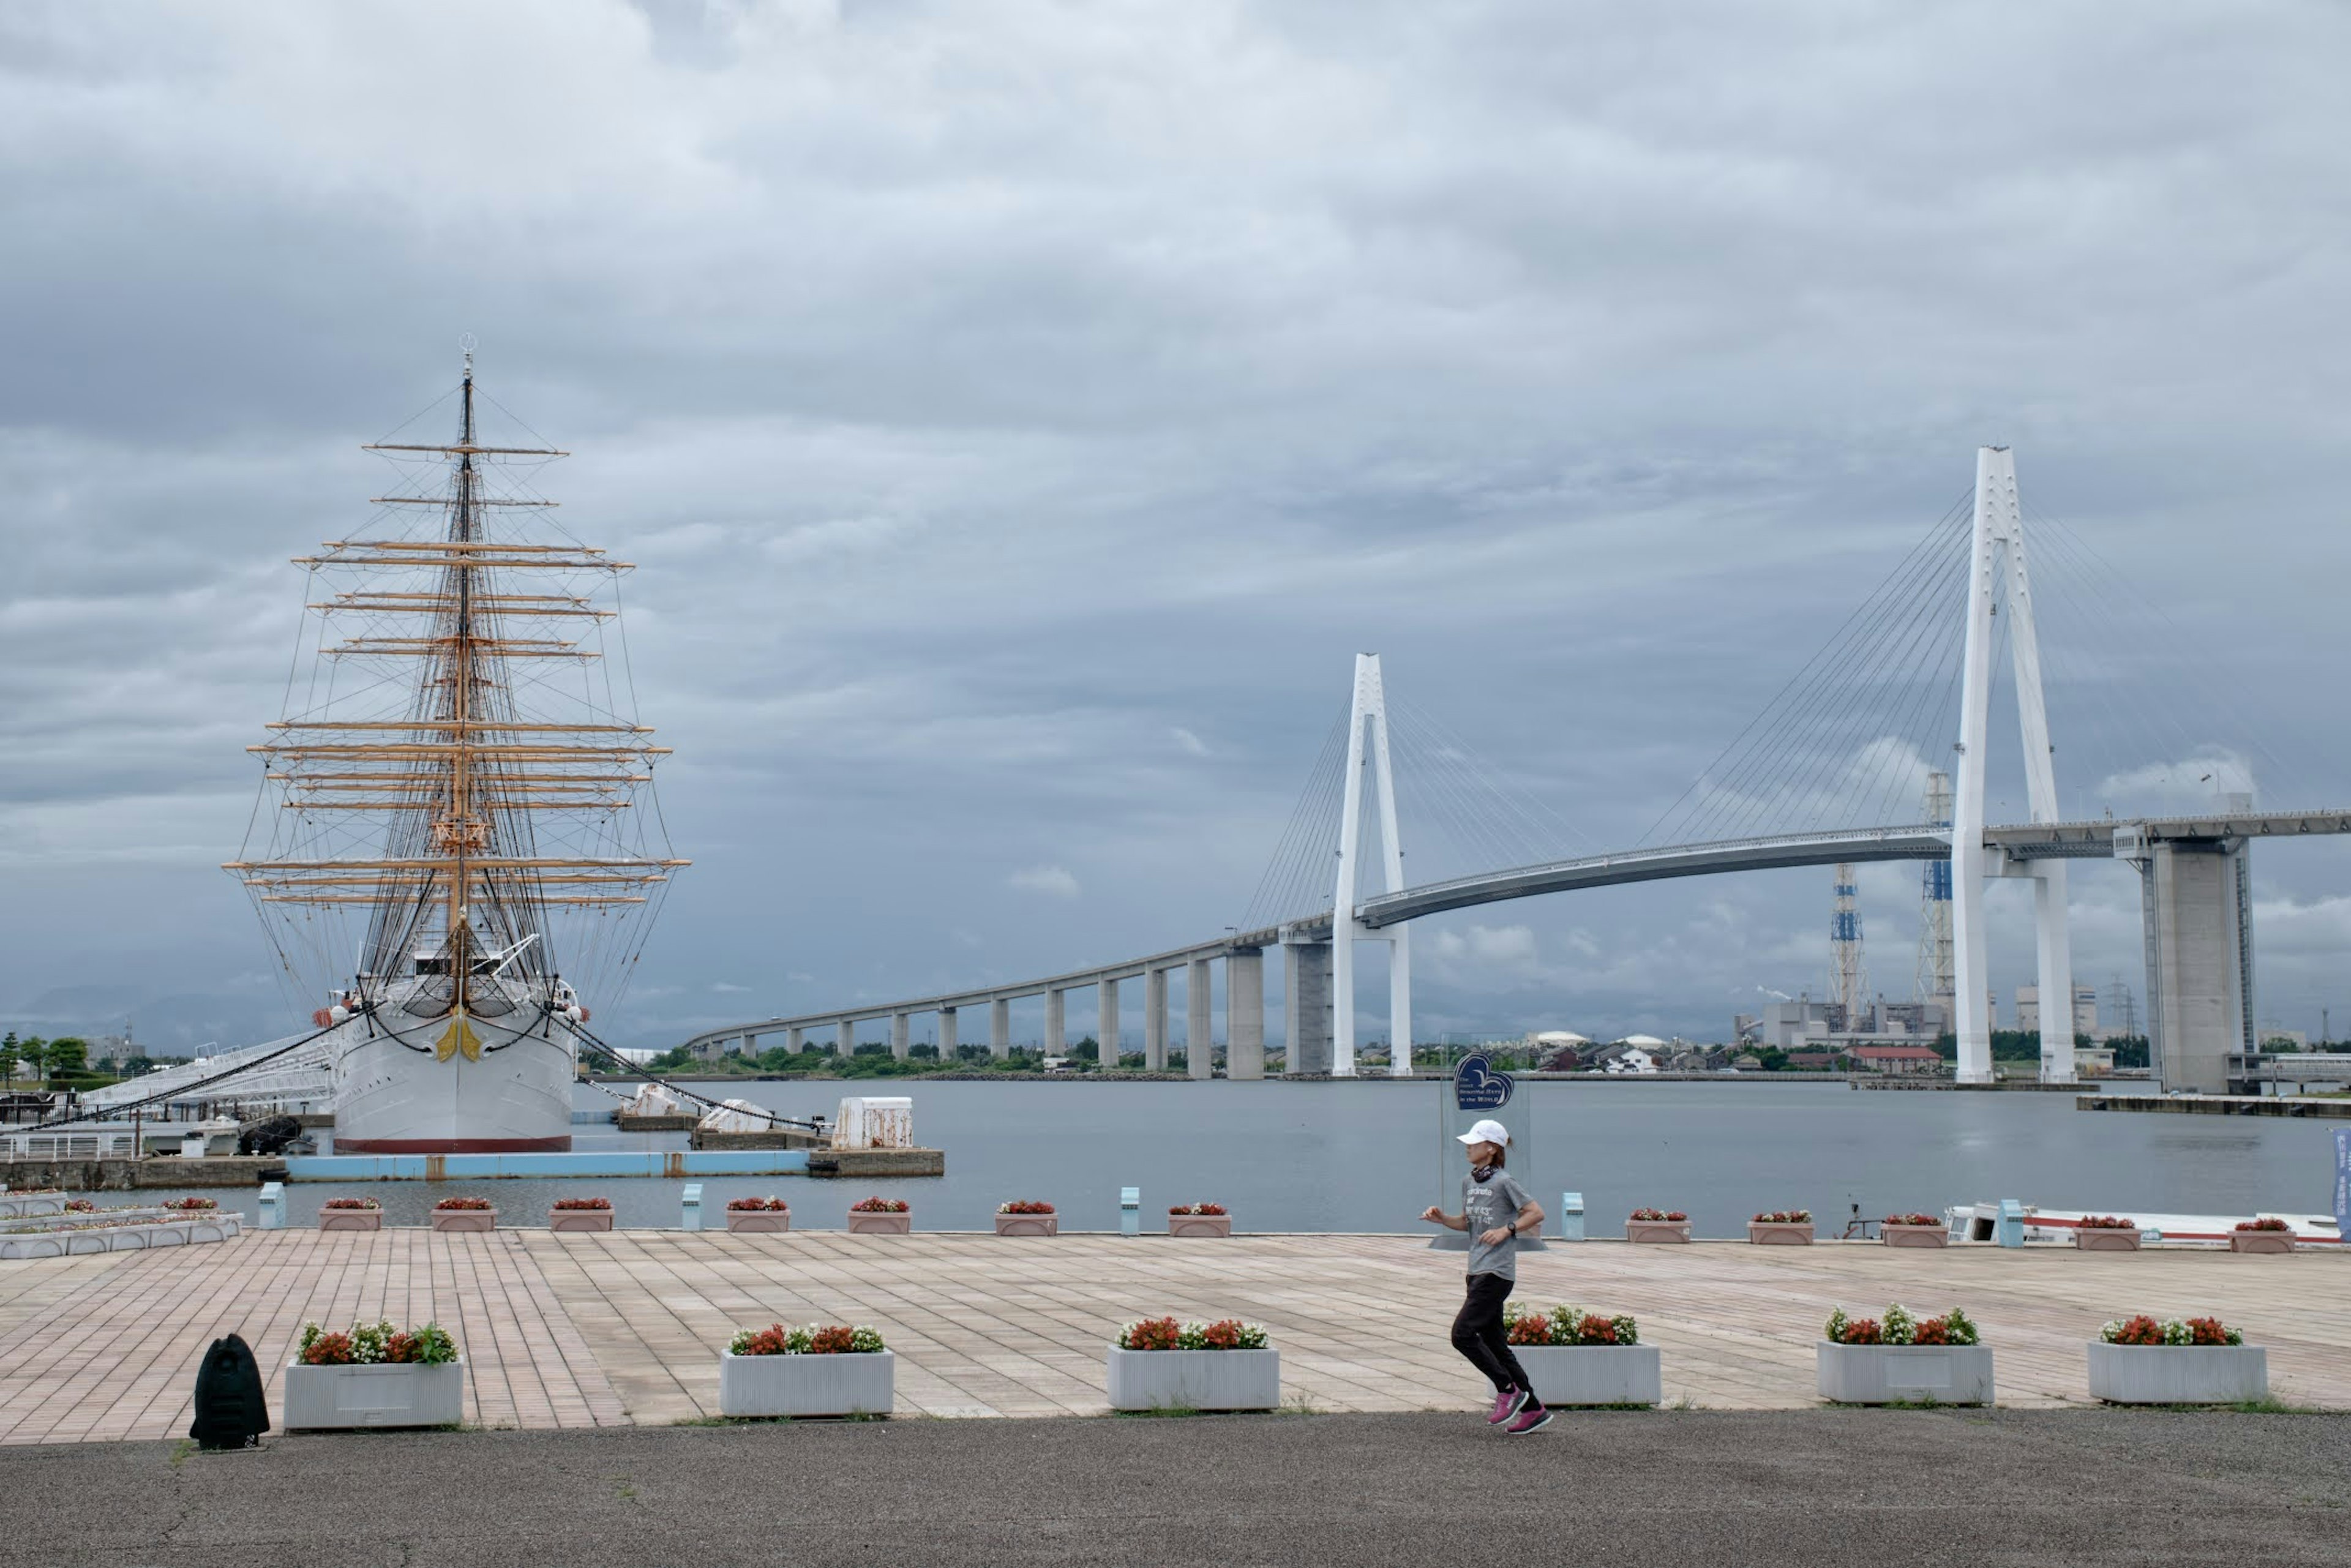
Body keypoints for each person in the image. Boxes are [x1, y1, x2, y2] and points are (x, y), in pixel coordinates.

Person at [1420, 1117, 1550, 1434]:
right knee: (1495, 1343)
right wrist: (1443, 1220)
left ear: (1491, 1149)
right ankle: (1534, 1410)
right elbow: (1468, 1223)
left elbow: (1536, 1212)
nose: (1468, 1148)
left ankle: (1508, 1390)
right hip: (1476, 1269)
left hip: (1497, 1272)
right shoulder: (1469, 1182)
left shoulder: (1505, 1182)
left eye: (1474, 1143)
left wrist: (1507, 1230)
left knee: (1462, 1335)